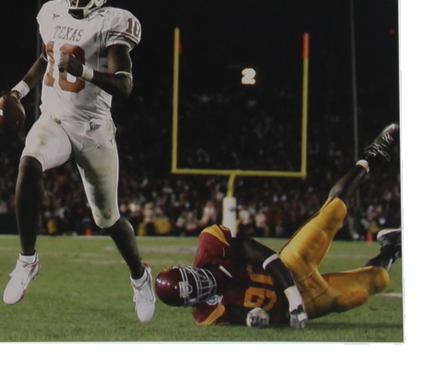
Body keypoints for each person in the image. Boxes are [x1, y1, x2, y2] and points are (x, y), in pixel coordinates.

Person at [0, 0, 155, 322]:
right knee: (29, 163)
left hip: (93, 129)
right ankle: (27, 260)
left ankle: (139, 276)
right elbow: (45, 57)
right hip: (54, 119)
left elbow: (124, 85)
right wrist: (18, 91)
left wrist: (84, 71)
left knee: (107, 219)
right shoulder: (51, 13)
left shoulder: (112, 22)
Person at [154, 124, 401, 328]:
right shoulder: (205, 314)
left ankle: (373, 154)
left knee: (332, 211)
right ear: (189, 303)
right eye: (196, 291)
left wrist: (293, 298)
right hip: (306, 304)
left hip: (290, 267)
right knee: (376, 281)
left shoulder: (211, 246)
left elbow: (264, 256)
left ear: (189, 269)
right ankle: (391, 246)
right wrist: (253, 318)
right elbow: (239, 316)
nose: (203, 284)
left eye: (194, 279)